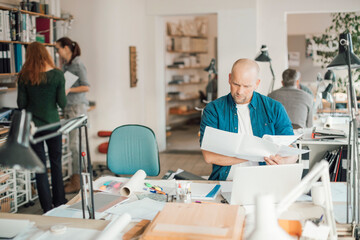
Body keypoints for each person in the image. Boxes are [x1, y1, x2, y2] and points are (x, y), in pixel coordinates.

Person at [199, 59, 298, 181]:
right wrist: (257, 155)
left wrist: (283, 162)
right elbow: (209, 156)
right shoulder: (213, 110)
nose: (240, 91)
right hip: (225, 181)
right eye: (236, 84)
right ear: (229, 78)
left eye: (246, 86)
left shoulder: (274, 108)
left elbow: (292, 151)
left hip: (265, 181)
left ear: (257, 83)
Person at [17, 42, 67, 213]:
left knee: (40, 168)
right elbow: (62, 103)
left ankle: (47, 207)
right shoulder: (58, 75)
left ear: (28, 56)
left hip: (34, 128)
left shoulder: (24, 76)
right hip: (53, 125)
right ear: (46, 54)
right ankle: (60, 202)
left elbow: (21, 104)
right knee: (56, 164)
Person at [55, 37, 90, 193]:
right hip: (69, 107)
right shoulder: (67, 65)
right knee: (73, 145)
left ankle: (78, 181)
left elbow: (86, 87)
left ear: (67, 48)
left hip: (77, 107)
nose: (57, 52)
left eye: (58, 49)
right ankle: (77, 178)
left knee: (75, 145)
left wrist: (69, 90)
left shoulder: (77, 64)